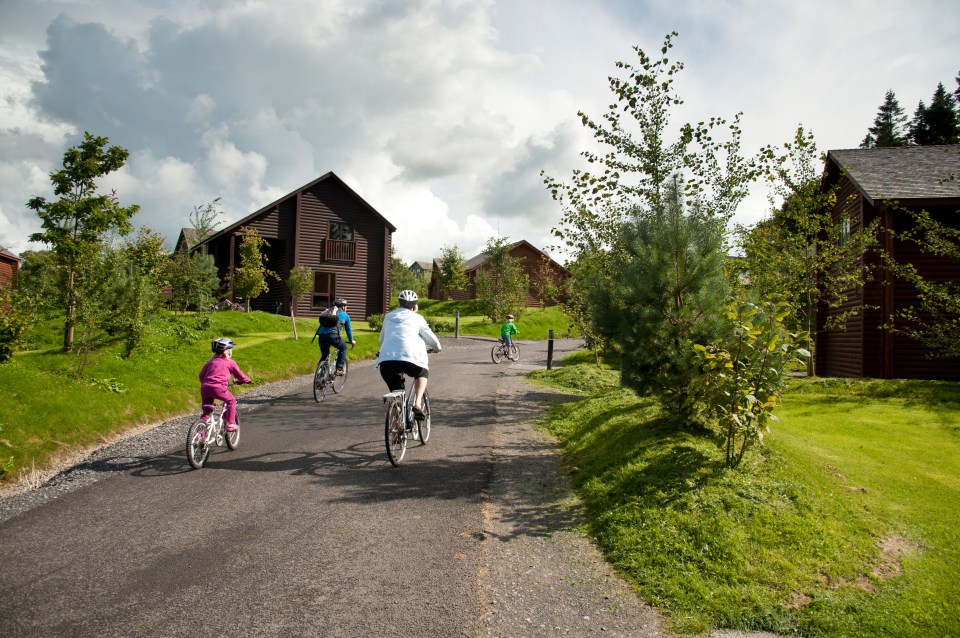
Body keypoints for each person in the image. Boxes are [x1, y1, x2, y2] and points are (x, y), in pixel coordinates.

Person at [376, 289, 441, 420]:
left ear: (399, 303)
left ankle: (395, 419)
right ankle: (417, 404)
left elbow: (381, 340)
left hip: (386, 361)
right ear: (415, 305)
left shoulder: (388, 317)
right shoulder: (418, 318)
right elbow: (433, 341)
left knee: (396, 390)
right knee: (422, 372)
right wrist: (437, 349)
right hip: (410, 360)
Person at [199, 337, 251, 432]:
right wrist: (247, 380)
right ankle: (230, 424)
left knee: (206, 411)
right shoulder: (230, 363)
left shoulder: (210, 362)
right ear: (228, 351)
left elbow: (201, 375)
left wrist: (207, 383)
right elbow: (239, 375)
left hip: (205, 388)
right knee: (231, 401)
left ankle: (200, 434)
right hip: (219, 388)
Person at [315, 298, 356, 376]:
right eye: (346, 306)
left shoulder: (328, 312)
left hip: (321, 336)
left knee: (324, 355)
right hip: (332, 336)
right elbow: (348, 330)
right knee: (343, 348)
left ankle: (320, 377)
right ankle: (339, 369)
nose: (346, 308)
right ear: (343, 307)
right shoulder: (345, 315)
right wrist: (351, 341)